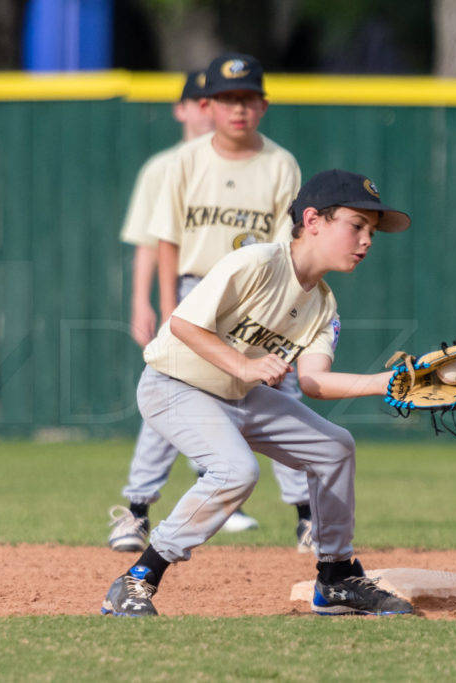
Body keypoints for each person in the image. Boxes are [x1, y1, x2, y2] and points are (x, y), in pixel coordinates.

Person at [101, 168, 416, 617]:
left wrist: (389, 384)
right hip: (174, 385)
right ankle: (136, 580)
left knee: (333, 447)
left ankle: (336, 577)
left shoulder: (323, 305)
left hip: (236, 396)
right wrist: (246, 365)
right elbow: (183, 325)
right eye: (357, 225)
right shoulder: (257, 262)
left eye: (372, 232)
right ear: (313, 221)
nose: (366, 240)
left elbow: (314, 381)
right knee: (235, 471)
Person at [107, 54, 314, 553]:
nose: (238, 109)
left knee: (283, 394)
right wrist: (165, 307)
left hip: (257, 299)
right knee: (171, 396)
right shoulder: (185, 161)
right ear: (208, 105)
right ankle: (136, 511)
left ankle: (308, 517)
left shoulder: (280, 163)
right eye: (227, 99)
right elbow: (167, 241)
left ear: (262, 105)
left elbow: (287, 246)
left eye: (247, 99)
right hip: (195, 291)